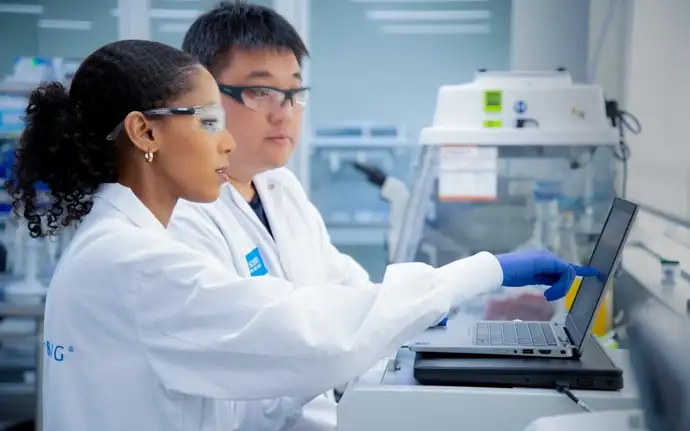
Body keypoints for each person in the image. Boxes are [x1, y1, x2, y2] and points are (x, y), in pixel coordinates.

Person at [6, 39, 595, 431]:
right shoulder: (133, 265)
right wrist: (484, 270)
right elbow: (310, 333)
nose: (228, 141)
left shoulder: (120, 246)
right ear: (144, 133)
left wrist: (416, 320)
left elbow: (271, 353)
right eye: (209, 122)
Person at [167, 3, 598, 430]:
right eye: (260, 91)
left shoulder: (282, 190)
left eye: (295, 92)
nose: (284, 111)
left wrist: (429, 311)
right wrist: (479, 273)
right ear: (204, 97)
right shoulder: (183, 221)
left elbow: (346, 287)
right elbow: (290, 349)